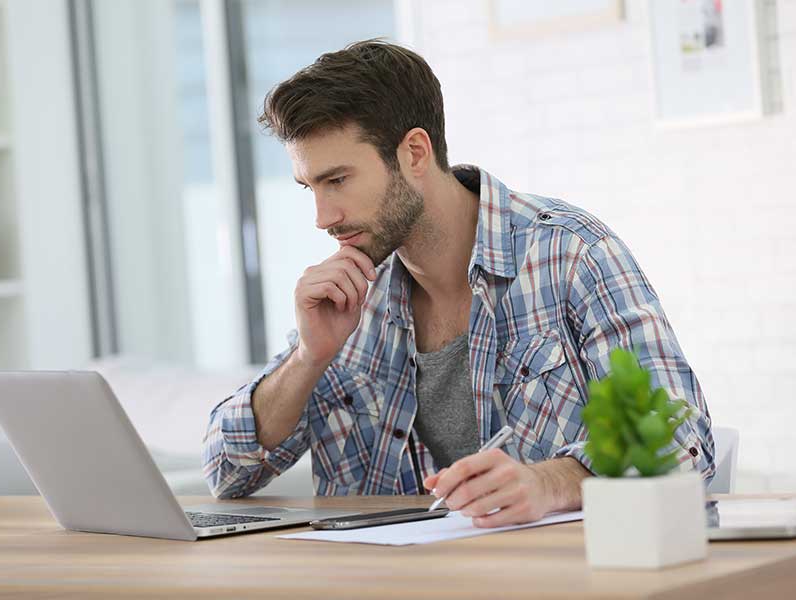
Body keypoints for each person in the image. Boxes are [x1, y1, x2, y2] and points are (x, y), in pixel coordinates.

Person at [203, 39, 714, 528]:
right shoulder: (348, 297)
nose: (322, 217)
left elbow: (683, 438)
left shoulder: (569, 252)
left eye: (337, 180)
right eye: (309, 187)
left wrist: (549, 483)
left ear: (415, 153)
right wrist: (308, 358)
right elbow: (225, 472)